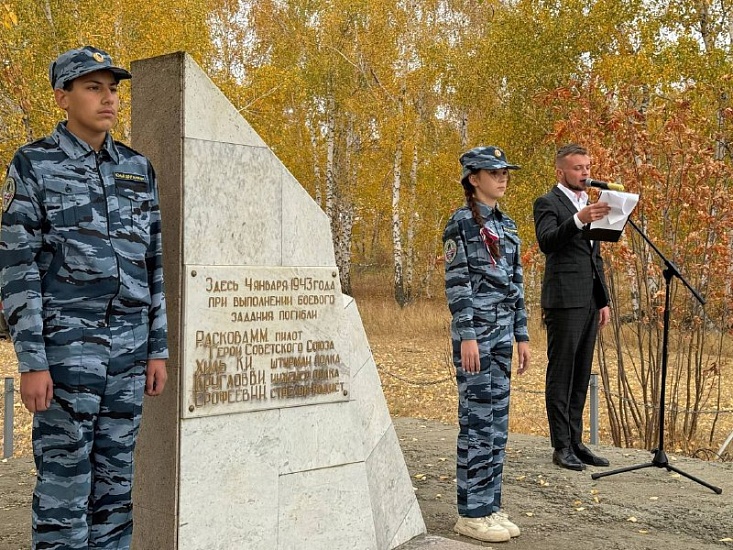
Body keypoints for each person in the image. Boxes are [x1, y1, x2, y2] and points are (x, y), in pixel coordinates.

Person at [0, 46, 168, 549]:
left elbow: (154, 264)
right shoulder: (34, 165)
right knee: (64, 488)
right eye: (93, 87)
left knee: (116, 490)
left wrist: (157, 348)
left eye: (113, 88)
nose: (109, 99)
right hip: (66, 356)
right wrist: (32, 361)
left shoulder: (137, 169)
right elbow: (16, 265)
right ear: (63, 97)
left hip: (129, 354)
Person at [443, 146, 530, 543]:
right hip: (476, 338)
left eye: (504, 171)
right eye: (493, 172)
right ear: (473, 178)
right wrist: (467, 336)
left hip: (503, 337)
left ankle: (490, 504)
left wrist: (523, 335)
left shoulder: (508, 226)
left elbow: (517, 285)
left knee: (497, 425)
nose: (502, 177)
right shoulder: (461, 223)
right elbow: (457, 283)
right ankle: (471, 513)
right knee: (477, 423)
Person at [532, 143, 611, 472]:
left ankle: (577, 443)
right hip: (564, 300)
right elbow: (547, 242)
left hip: (590, 301)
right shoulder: (547, 202)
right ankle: (561, 445)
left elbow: (595, 256)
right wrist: (578, 220)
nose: (586, 173)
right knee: (562, 373)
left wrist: (603, 300)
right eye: (578, 168)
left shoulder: (591, 203)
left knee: (581, 374)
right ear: (561, 171)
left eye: (588, 166)